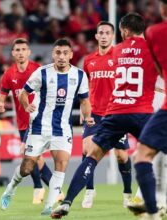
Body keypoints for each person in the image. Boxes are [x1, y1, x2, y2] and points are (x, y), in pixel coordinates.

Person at [51, 13, 159, 219]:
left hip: (115, 113)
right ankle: (148, 201)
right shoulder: (151, 49)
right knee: (153, 155)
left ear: (124, 31)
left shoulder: (115, 52)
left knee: (91, 157)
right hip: (141, 113)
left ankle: (66, 202)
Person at [0, 38, 94, 215]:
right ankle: (10, 188)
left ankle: (49, 206)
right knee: (27, 168)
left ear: (71, 55)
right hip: (39, 127)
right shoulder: (42, 73)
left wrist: (88, 116)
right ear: (53, 54)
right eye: (58, 53)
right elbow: (23, 93)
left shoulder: (80, 75)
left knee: (61, 165)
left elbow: (85, 100)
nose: (61, 56)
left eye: (65, 53)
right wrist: (26, 105)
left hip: (63, 129)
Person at [0, 38, 54, 205]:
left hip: (39, 119)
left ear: (29, 52)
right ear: (13, 53)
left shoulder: (38, 70)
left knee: (30, 154)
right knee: (33, 157)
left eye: (23, 49)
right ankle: (47, 188)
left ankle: (44, 188)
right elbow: (2, 96)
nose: (20, 53)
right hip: (22, 122)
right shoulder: (9, 74)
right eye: (17, 50)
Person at [81, 21, 132, 209]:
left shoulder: (120, 56)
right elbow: (84, 87)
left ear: (112, 36)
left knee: (121, 156)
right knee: (88, 149)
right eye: (100, 32)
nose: (103, 36)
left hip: (116, 113)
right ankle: (89, 190)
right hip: (94, 112)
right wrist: (83, 107)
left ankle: (127, 194)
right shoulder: (88, 60)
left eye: (107, 33)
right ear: (96, 36)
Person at [126, 1, 167, 219]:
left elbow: (159, 68)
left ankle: (152, 211)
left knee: (143, 156)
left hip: (164, 107)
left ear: (162, 10)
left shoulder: (154, 32)